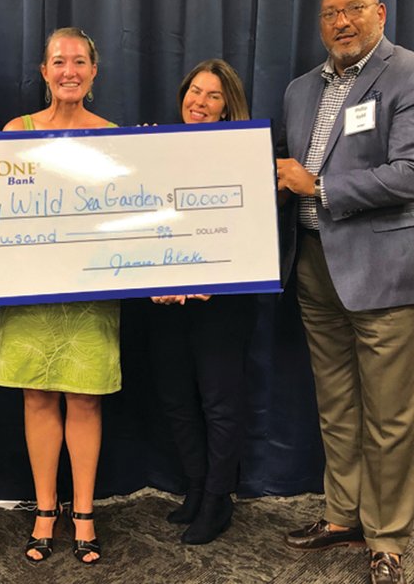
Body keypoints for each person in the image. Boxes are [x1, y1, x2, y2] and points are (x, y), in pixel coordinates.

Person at [276, 0, 414, 584]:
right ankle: (342, 515)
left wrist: (319, 187)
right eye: (329, 15)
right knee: (336, 404)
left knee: (392, 413)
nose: (340, 23)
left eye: (352, 10)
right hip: (315, 264)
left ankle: (388, 536)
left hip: (385, 269)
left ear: (380, 11)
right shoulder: (301, 91)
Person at [0, 27, 120, 565]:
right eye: (59, 61)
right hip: (29, 288)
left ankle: (83, 511)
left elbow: (127, 214)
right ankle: (45, 509)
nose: (69, 70)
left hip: (90, 289)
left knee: (85, 397)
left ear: (94, 72)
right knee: (36, 395)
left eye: (80, 61)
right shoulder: (13, 131)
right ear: (44, 72)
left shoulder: (117, 136)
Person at [149, 59, 258, 545]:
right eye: (195, 91)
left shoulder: (245, 154)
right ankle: (195, 486)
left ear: (228, 105)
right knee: (176, 399)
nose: (200, 102)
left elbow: (249, 229)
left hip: (220, 300)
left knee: (219, 402)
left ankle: (219, 499)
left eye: (213, 95)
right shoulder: (155, 148)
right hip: (165, 299)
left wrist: (214, 274)